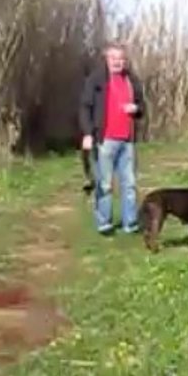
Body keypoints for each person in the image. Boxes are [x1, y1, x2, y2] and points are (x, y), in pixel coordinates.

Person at [78, 42, 147, 235]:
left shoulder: (131, 80)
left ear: (125, 60)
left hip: (127, 141)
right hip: (104, 140)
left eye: (121, 58)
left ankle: (130, 223)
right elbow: (85, 107)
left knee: (130, 184)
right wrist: (87, 133)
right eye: (113, 58)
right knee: (105, 184)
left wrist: (136, 109)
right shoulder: (96, 79)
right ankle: (104, 223)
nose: (117, 62)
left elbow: (142, 106)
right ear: (107, 59)